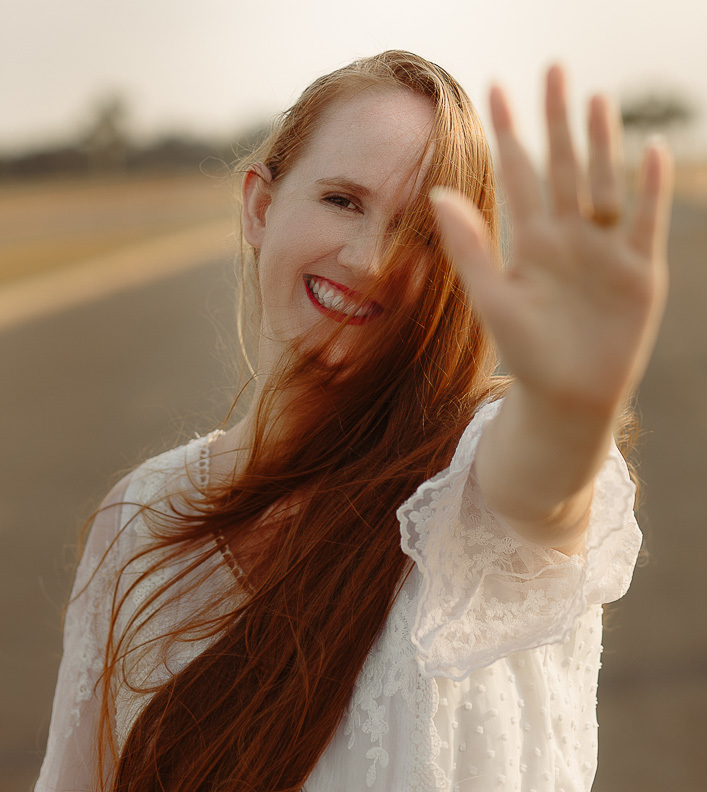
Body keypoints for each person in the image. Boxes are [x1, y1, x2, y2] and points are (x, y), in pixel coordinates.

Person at [35, 50, 672, 792]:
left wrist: (570, 410)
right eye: (343, 200)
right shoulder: (138, 517)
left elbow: (546, 482)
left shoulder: (468, 495)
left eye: (423, 234)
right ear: (260, 206)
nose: (371, 259)